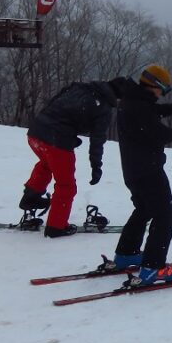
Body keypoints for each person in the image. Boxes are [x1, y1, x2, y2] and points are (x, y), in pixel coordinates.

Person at [108, 65, 172, 287]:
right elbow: (160, 134)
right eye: (165, 89)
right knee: (164, 216)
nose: (163, 94)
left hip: (133, 170)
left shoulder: (133, 100)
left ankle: (127, 254)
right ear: (156, 85)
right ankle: (153, 267)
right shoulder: (139, 107)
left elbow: (156, 111)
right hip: (148, 171)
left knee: (144, 210)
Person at [21, 77, 128, 237]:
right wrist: (96, 166)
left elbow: (54, 102)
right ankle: (56, 227)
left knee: (46, 163)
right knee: (66, 186)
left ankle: (30, 198)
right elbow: (97, 140)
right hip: (56, 141)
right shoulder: (103, 108)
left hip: (35, 132)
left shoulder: (79, 87)